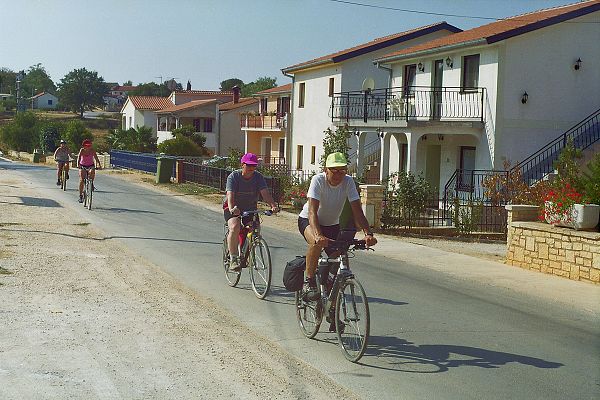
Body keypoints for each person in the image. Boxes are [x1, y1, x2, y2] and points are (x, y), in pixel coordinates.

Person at [298, 152, 377, 302]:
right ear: (325, 169)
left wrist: (368, 233)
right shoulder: (318, 180)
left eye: (342, 170)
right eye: (334, 170)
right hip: (309, 221)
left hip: (332, 225)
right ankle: (308, 282)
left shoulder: (348, 182)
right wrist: (318, 234)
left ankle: (331, 305)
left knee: (339, 256)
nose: (338, 174)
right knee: (315, 242)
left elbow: (357, 211)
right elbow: (312, 211)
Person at [224, 153, 278, 271]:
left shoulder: (258, 177)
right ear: (242, 165)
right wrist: (233, 208)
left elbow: (265, 194)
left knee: (255, 228)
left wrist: (273, 205)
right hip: (232, 207)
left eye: (254, 166)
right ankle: (233, 258)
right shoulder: (234, 177)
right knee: (234, 226)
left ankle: (245, 254)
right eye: (249, 166)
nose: (251, 169)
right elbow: (230, 195)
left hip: (250, 208)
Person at [77, 139, 102, 203]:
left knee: (92, 172)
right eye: (86, 145)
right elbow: (79, 157)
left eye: (89, 145)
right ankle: (80, 196)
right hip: (82, 165)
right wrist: (78, 165)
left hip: (91, 165)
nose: (88, 147)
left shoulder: (92, 151)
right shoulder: (82, 150)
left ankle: (91, 183)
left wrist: (99, 165)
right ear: (83, 146)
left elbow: (96, 158)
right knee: (82, 179)